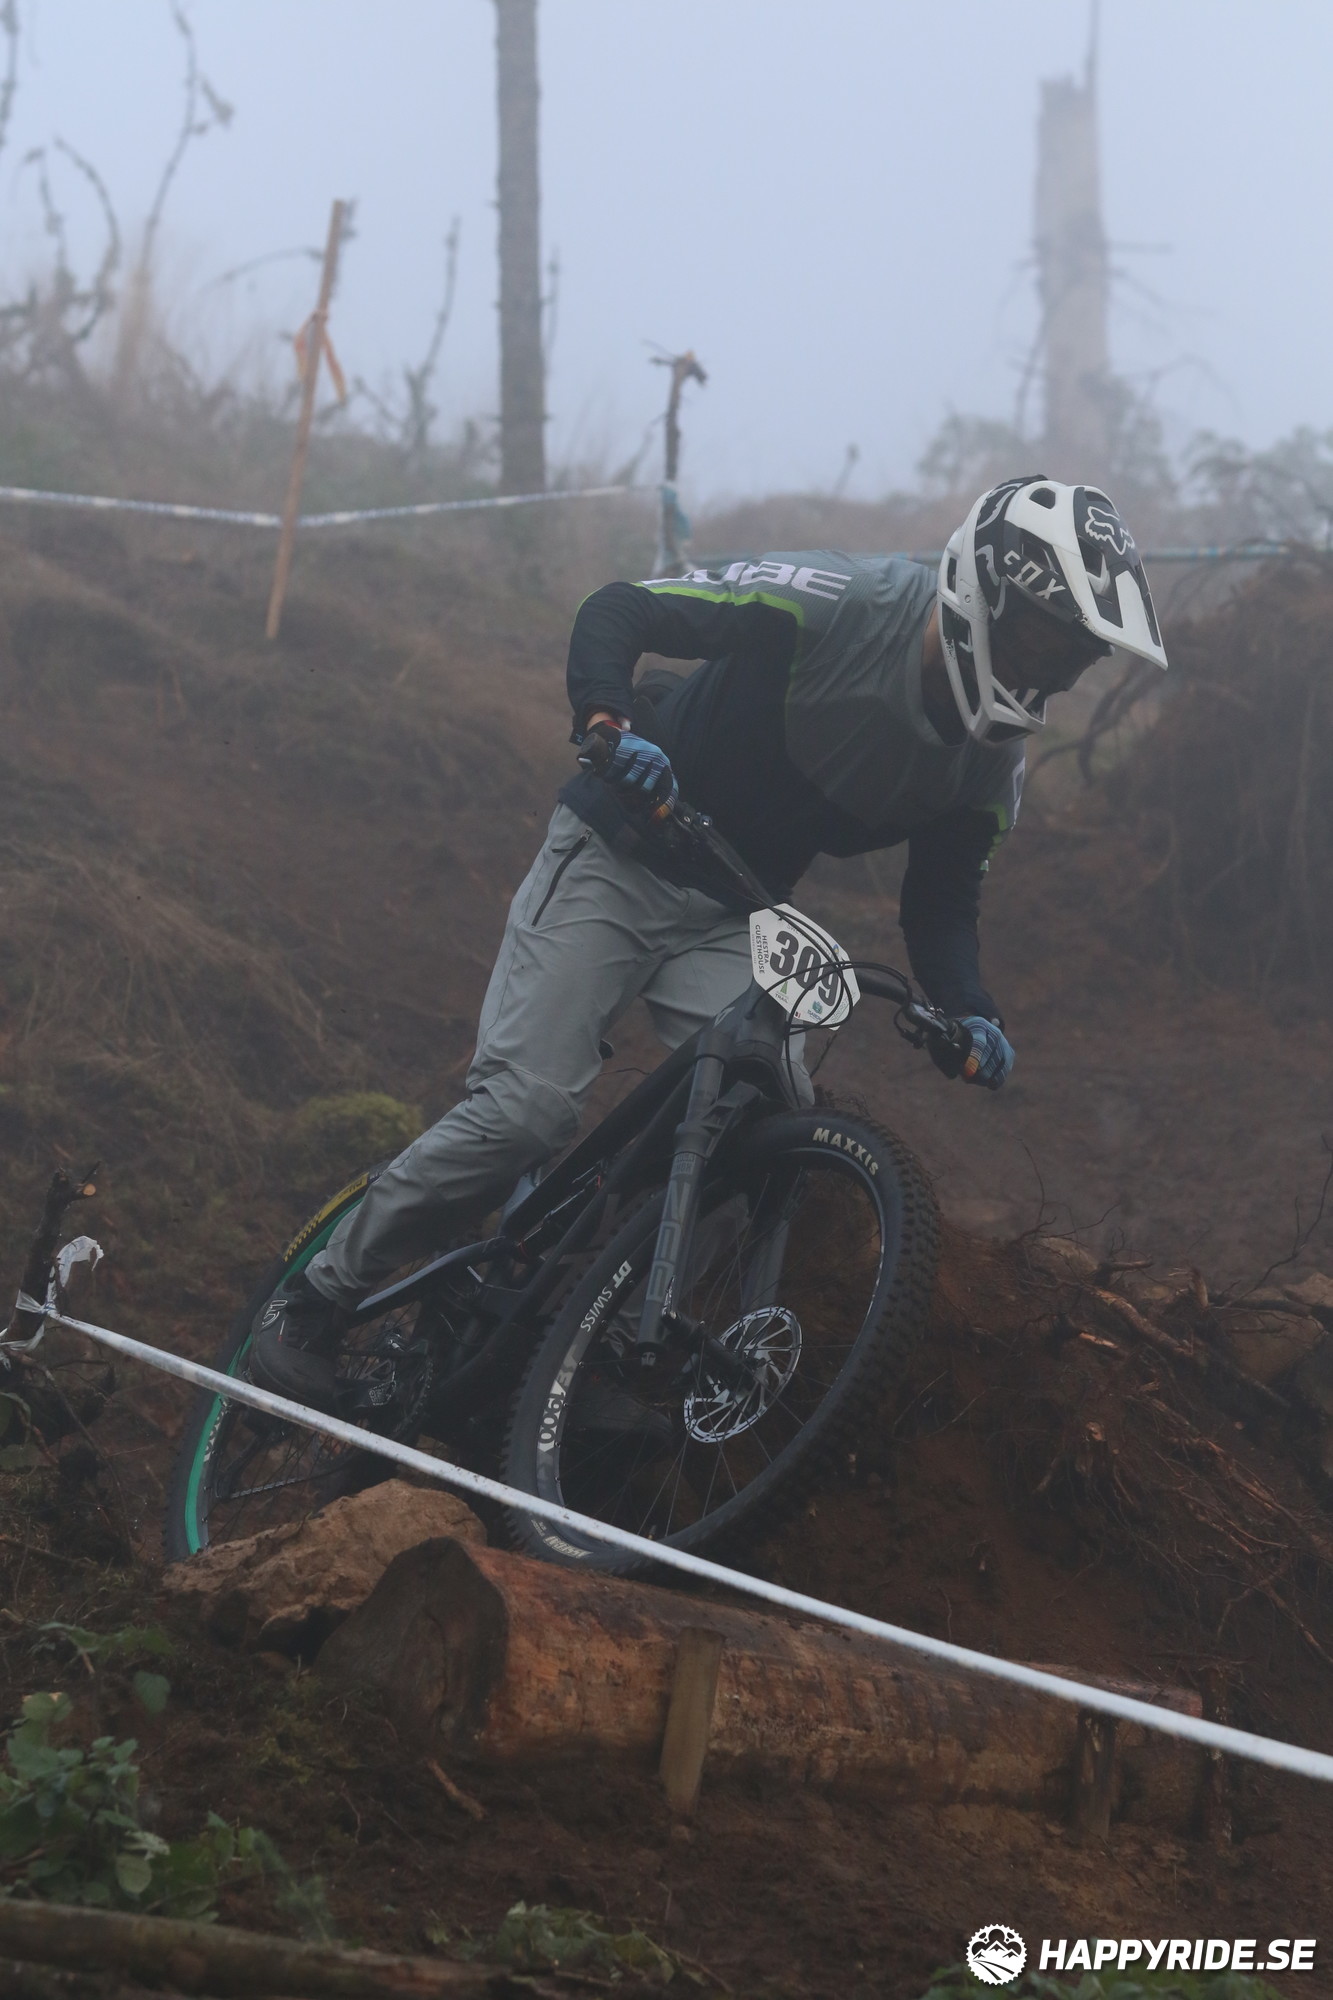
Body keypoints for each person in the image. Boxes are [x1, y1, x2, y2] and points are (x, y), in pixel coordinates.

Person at [252, 474, 1167, 1405]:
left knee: (761, 1126)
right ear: (985, 588)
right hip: (620, 850)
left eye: (1070, 658)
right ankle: (315, 1297)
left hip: (738, 908)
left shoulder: (989, 766)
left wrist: (969, 1009)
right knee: (525, 1113)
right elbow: (621, 609)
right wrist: (607, 722)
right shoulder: (844, 602)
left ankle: (596, 1328)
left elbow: (939, 905)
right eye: (1041, 639)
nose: (1045, 670)